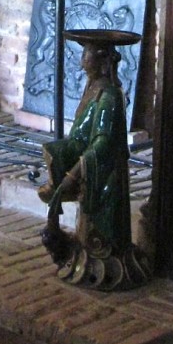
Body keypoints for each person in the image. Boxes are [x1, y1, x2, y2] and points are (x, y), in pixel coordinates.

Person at [37, 29, 150, 290]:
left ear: (101, 60)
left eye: (86, 55)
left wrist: (73, 173)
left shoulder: (109, 96)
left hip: (104, 175)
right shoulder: (94, 90)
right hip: (91, 171)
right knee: (85, 220)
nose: (81, 60)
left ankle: (105, 266)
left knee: (100, 226)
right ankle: (84, 257)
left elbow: (103, 142)